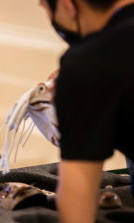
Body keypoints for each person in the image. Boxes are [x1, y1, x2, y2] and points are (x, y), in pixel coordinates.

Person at [39, 0, 134, 223]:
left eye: (45, 7)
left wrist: (80, 81)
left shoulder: (88, 62)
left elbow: (78, 196)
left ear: (67, 6)